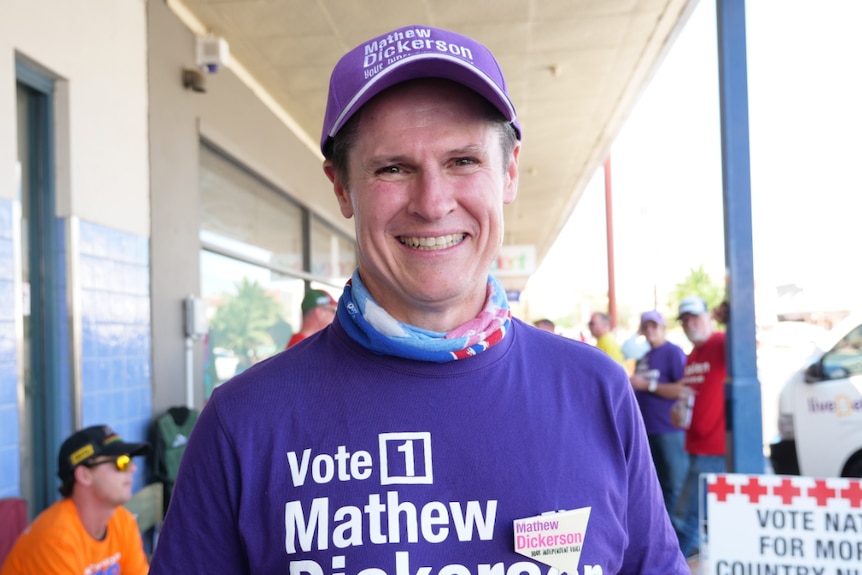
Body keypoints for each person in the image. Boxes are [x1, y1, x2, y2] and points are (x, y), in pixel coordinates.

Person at [150, 24, 687, 574]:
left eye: (463, 161)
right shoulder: (244, 422)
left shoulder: (596, 392)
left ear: (510, 171)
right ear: (341, 188)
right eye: (393, 168)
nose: (432, 204)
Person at [1, 425, 150, 575]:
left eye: (131, 461)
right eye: (121, 462)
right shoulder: (56, 540)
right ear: (84, 475)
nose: (132, 469)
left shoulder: (123, 522)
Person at [669, 295, 727, 559]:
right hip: (694, 444)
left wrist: (730, 317)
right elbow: (690, 394)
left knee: (685, 517)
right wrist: (679, 409)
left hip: (714, 449)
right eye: (684, 320)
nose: (689, 324)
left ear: (708, 318)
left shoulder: (719, 343)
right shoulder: (692, 355)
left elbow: (747, 345)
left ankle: (671, 564)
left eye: (694, 318)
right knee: (699, 516)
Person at [628, 310, 689, 513]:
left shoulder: (672, 352)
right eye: (647, 326)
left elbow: (683, 388)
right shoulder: (644, 357)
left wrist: (648, 386)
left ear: (663, 328)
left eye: (654, 326)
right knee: (657, 485)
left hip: (668, 428)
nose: (650, 330)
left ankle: (682, 536)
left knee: (677, 484)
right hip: (648, 429)